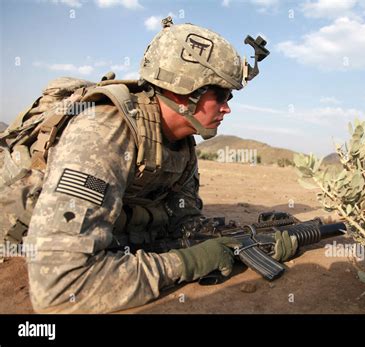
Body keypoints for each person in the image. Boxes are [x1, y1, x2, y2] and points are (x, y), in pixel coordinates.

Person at [1, 18, 296, 313]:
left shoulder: (181, 145)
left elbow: (181, 224)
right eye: (219, 94)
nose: (227, 107)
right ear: (185, 90)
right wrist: (189, 263)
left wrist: (248, 240)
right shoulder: (102, 133)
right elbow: (61, 288)